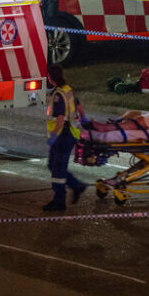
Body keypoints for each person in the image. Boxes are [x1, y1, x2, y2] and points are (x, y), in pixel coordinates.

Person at [42, 65, 88, 212]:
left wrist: (54, 135)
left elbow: (60, 118)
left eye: (48, 76)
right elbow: (79, 107)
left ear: (51, 77)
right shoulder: (67, 90)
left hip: (63, 135)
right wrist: (84, 119)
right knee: (53, 166)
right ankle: (76, 185)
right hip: (70, 134)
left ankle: (59, 201)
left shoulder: (58, 96)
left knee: (58, 168)